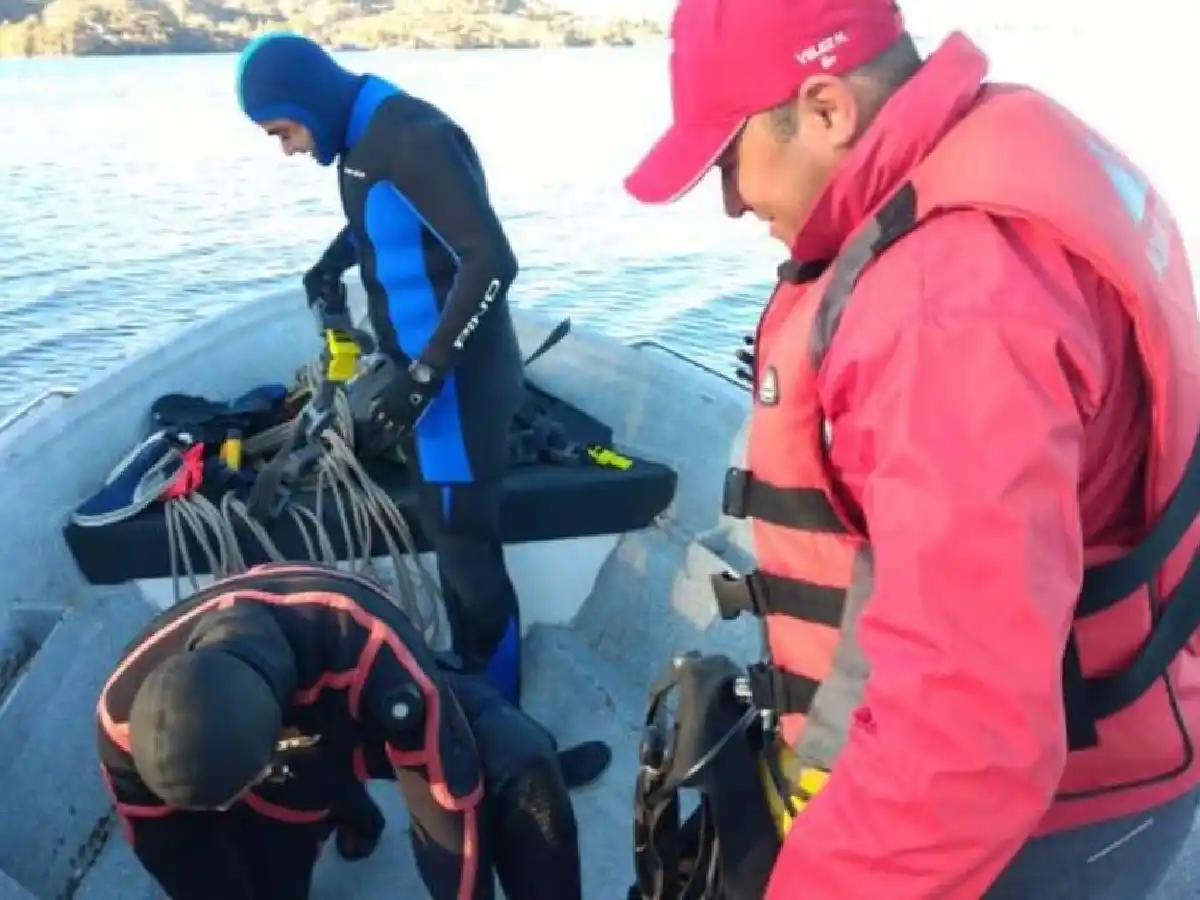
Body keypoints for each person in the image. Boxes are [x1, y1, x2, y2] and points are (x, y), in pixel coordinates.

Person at [623, 0, 1200, 898]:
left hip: (1048, 818)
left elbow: (965, 737)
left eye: (729, 159)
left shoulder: (948, 301)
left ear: (826, 110)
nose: (732, 201)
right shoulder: (998, 154)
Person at [235, 32, 527, 706]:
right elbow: (388, 217)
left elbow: (491, 261)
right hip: (423, 383)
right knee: (450, 541)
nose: (287, 149)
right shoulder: (360, 138)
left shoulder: (411, 135)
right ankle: (470, 685)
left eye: (283, 131)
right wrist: (332, 262)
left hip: (457, 389)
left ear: (305, 100)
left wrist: (424, 378)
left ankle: (508, 731)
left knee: (468, 554)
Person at [96, 562, 606, 900]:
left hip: (364, 715)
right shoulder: (119, 722)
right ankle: (350, 814)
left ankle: (349, 803)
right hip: (288, 763)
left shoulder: (368, 645)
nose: (225, 816)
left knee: (522, 758)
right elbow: (173, 852)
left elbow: (447, 809)